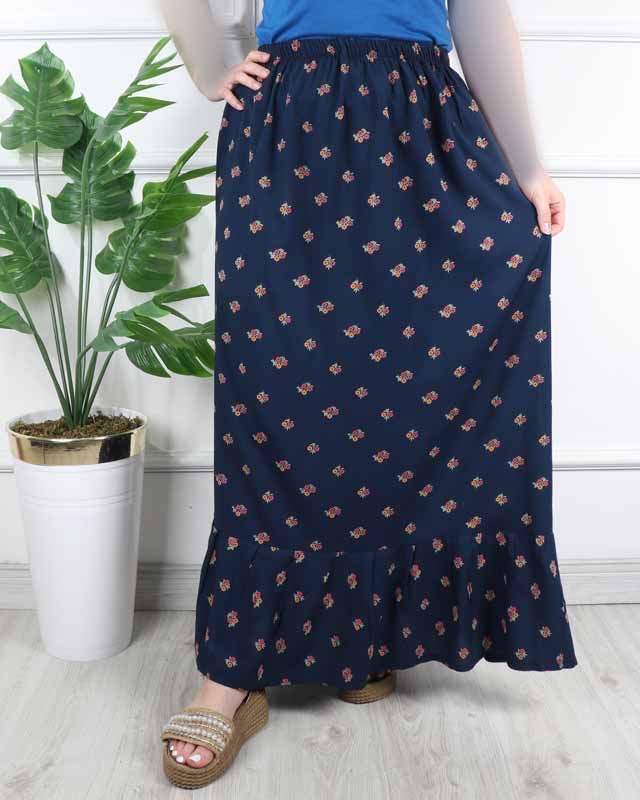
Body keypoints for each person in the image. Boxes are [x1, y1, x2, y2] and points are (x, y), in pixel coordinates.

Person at [157, 0, 577, 789]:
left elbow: (480, 15)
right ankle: (232, 672)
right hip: (289, 131)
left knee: (404, 397)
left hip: (427, 134)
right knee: (279, 392)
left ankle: (365, 638)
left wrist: (527, 170)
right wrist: (210, 65)